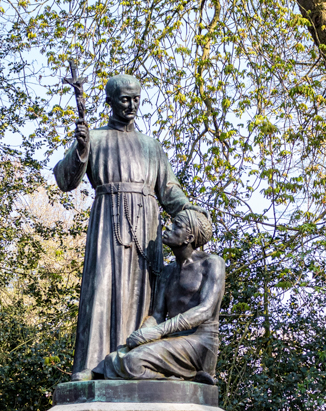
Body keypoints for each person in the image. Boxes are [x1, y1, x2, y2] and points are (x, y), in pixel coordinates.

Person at [54, 74, 207, 381]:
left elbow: (170, 192)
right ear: (109, 101)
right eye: (125, 99)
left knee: (145, 296)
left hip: (146, 231)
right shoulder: (95, 139)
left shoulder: (151, 146)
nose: (132, 105)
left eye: (136, 99)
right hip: (109, 226)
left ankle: (137, 364)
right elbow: (64, 179)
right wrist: (80, 148)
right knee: (103, 289)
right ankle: (94, 367)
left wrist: (193, 216)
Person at [97, 208, 224, 383]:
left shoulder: (212, 263)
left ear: (189, 238)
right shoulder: (168, 271)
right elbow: (157, 315)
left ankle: (184, 378)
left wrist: (158, 331)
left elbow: (205, 310)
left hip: (200, 342)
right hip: (171, 340)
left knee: (132, 362)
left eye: (176, 226)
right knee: (113, 359)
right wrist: (141, 335)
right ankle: (174, 378)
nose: (168, 228)